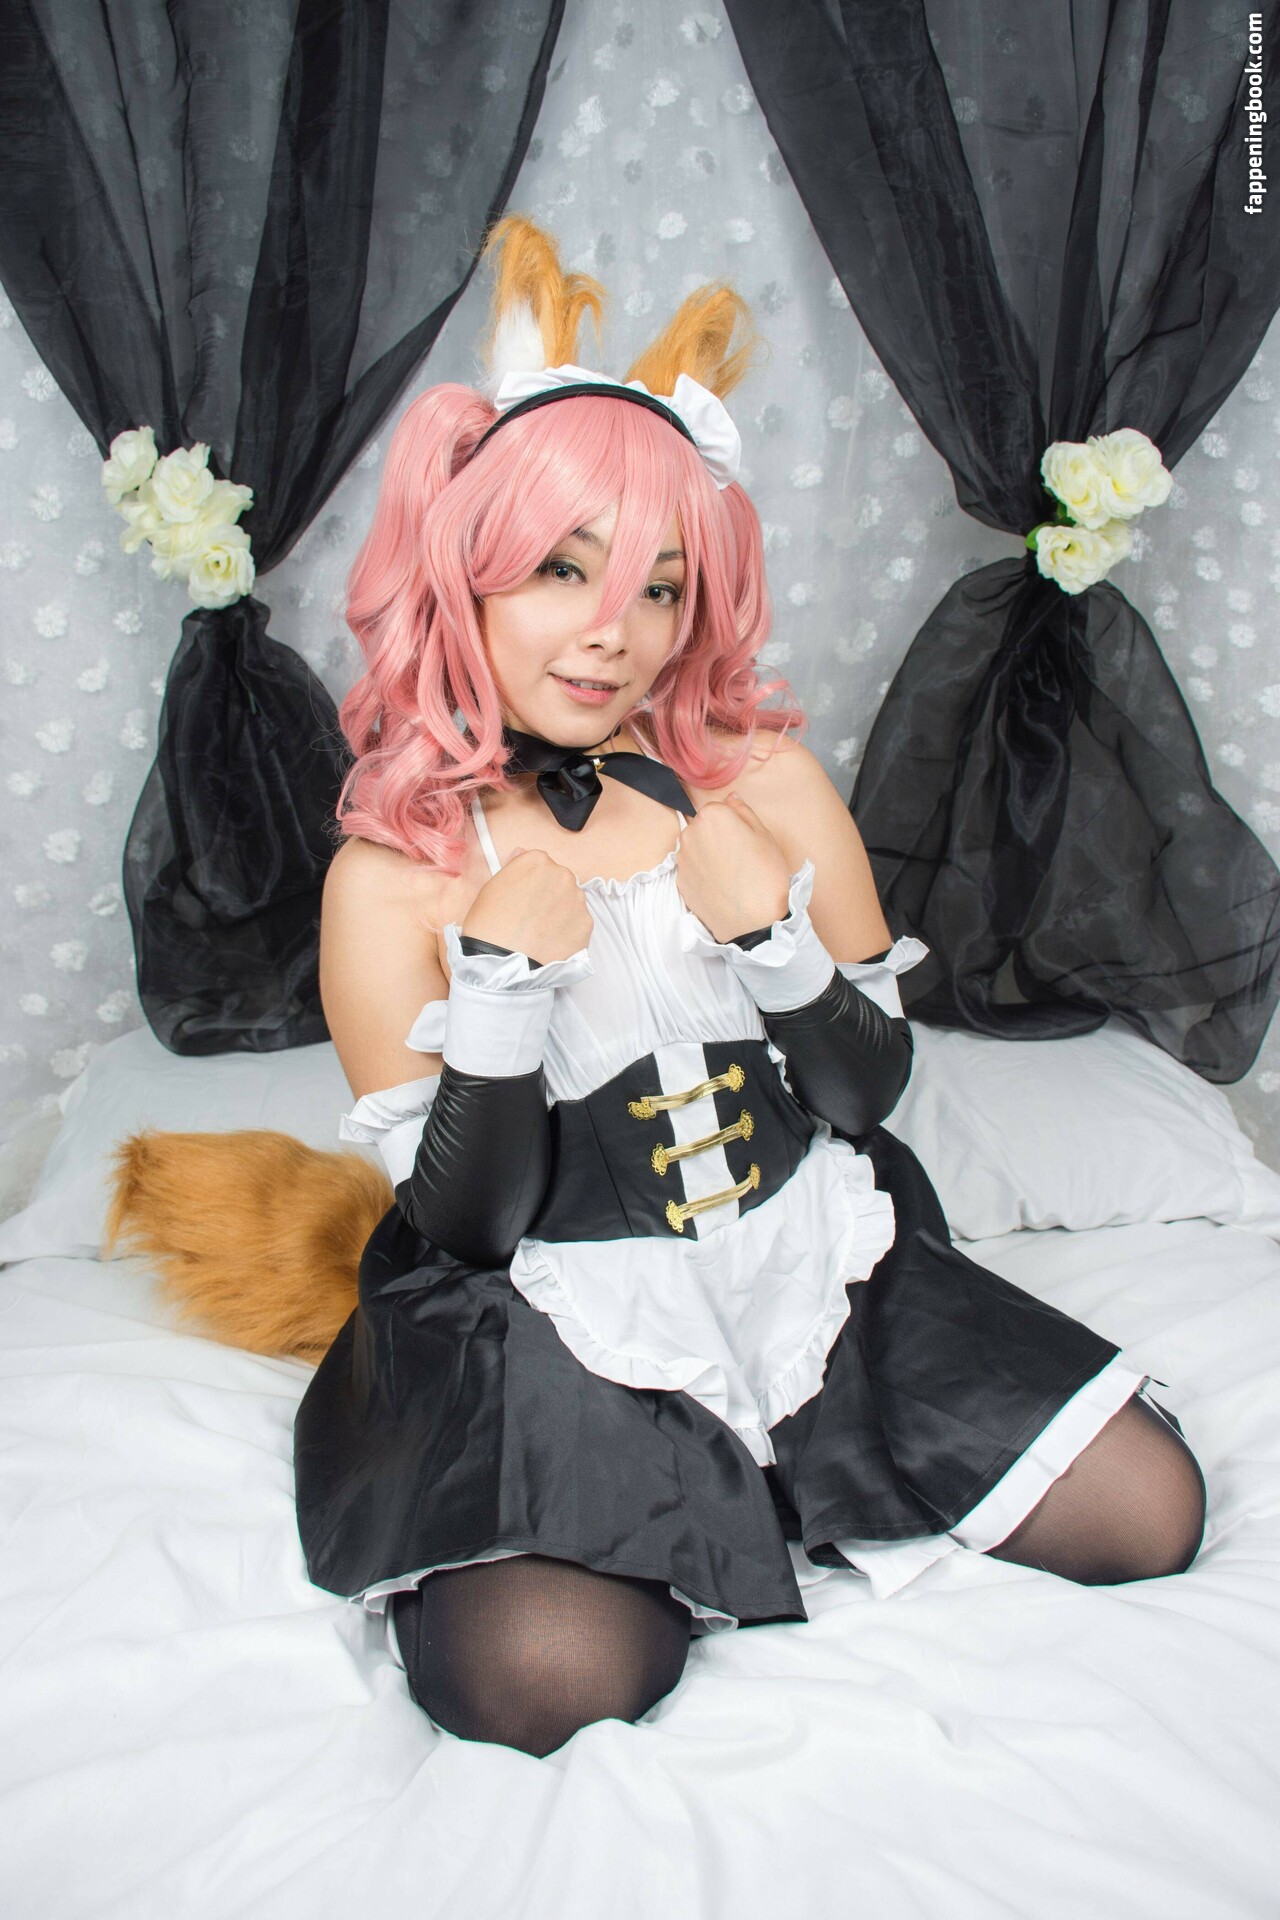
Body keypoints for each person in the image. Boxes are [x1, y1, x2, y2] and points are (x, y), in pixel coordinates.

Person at [293, 217, 1207, 1760]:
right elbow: (466, 1226)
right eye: (565, 571)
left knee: (1148, 1513)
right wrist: (501, 996)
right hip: (560, 1302)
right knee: (545, 1685)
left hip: (806, 1255)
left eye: (660, 588)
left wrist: (775, 946)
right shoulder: (393, 877)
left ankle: (801, 1448)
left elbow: (868, 1091)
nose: (616, 632)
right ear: (467, 576)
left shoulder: (765, 782)